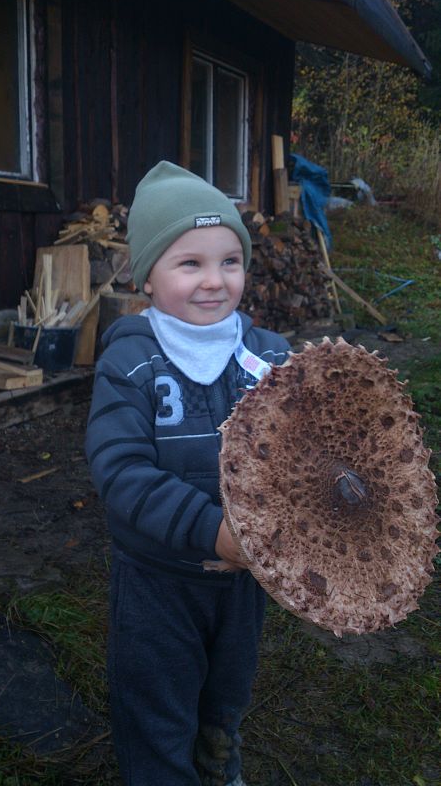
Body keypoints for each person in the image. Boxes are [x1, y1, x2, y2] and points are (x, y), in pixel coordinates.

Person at [86, 161, 290, 786]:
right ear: (147, 276)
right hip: (156, 578)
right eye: (190, 263)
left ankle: (216, 750)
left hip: (242, 582)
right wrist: (213, 530)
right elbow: (121, 473)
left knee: (227, 688)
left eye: (230, 261)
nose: (214, 281)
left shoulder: (271, 357)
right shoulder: (131, 360)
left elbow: (303, 457)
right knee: (155, 700)